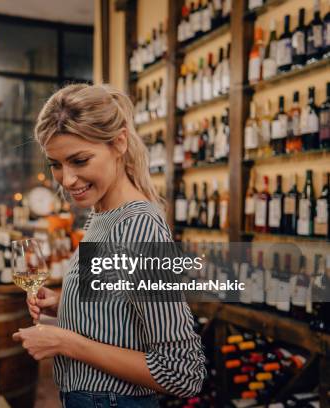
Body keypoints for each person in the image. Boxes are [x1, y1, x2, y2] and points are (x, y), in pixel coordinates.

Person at [12, 84, 206, 408]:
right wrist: (64, 305)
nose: (67, 179)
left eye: (79, 160)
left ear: (119, 142)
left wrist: (64, 341)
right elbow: (118, 315)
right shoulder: (102, 215)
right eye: (56, 164)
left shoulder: (140, 226)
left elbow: (182, 373)